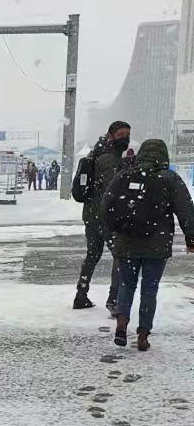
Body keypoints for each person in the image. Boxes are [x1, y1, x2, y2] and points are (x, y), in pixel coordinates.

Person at [103, 138, 194, 350]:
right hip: (157, 242)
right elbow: (186, 211)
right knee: (149, 289)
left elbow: (106, 205)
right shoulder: (170, 178)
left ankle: (121, 324)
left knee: (126, 285)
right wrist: (191, 238)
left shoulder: (124, 176)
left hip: (127, 242)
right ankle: (143, 334)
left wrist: (114, 230)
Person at [73, 120, 131, 312]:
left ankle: (81, 295)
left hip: (91, 214)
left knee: (93, 254)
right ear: (111, 136)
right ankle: (114, 300)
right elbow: (112, 188)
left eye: (127, 134)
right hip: (105, 216)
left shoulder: (98, 152)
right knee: (120, 256)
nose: (125, 138)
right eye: (121, 135)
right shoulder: (109, 158)